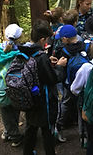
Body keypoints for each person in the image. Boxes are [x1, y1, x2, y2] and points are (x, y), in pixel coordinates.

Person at [18, 19, 67, 155]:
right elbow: (52, 79)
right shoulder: (41, 57)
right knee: (47, 130)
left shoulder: (23, 51)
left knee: (31, 127)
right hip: (43, 100)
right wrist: (59, 66)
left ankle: (27, 152)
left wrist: (48, 63)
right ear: (42, 39)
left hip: (29, 97)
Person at [0, 24, 24, 147]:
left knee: (5, 110)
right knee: (14, 109)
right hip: (13, 86)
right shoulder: (19, 54)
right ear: (19, 38)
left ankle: (8, 132)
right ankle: (15, 136)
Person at [54, 25, 89, 143]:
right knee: (82, 108)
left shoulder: (62, 50)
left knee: (65, 104)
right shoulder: (85, 46)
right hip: (84, 84)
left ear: (65, 38)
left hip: (69, 85)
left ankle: (58, 127)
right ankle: (83, 136)